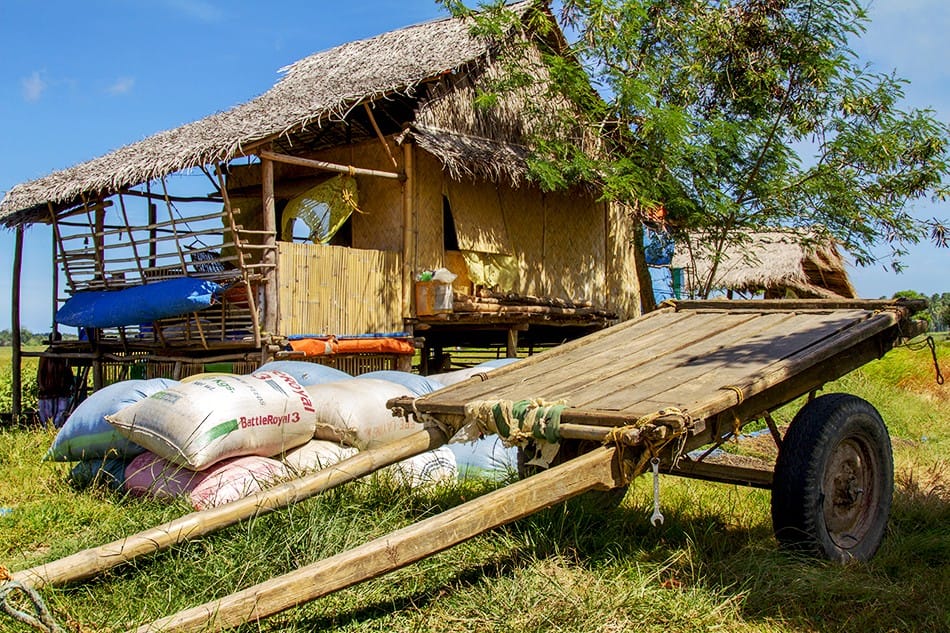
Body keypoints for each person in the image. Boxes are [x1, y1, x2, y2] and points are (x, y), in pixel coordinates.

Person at [37, 333, 75, 428]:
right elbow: (40, 371)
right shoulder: (46, 355)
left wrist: (69, 383)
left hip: (60, 386)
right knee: (49, 410)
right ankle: (49, 428)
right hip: (49, 386)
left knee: (61, 410)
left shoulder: (64, 355)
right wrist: (41, 384)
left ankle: (56, 427)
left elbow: (68, 370)